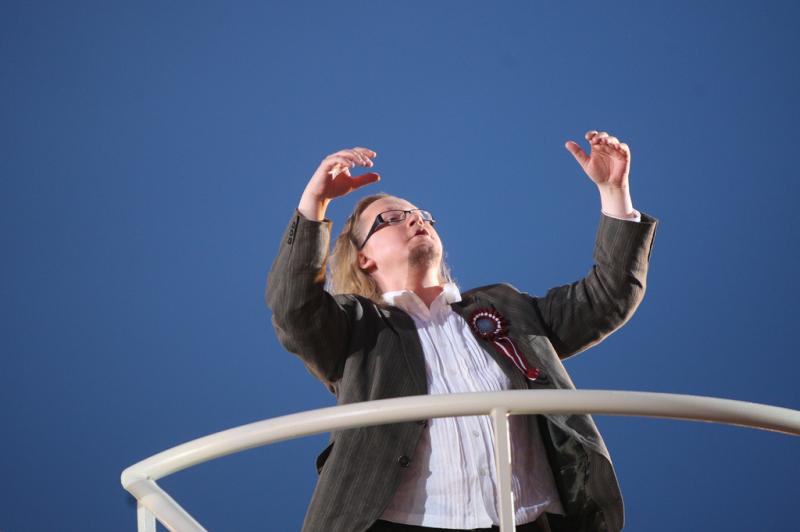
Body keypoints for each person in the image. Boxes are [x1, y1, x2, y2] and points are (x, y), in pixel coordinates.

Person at [266, 131, 658, 532]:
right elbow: (294, 309)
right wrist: (314, 204)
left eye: (421, 214)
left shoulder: (505, 305)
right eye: (392, 218)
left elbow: (606, 297)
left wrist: (614, 193)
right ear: (364, 258)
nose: (416, 219)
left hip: (530, 520)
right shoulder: (357, 326)